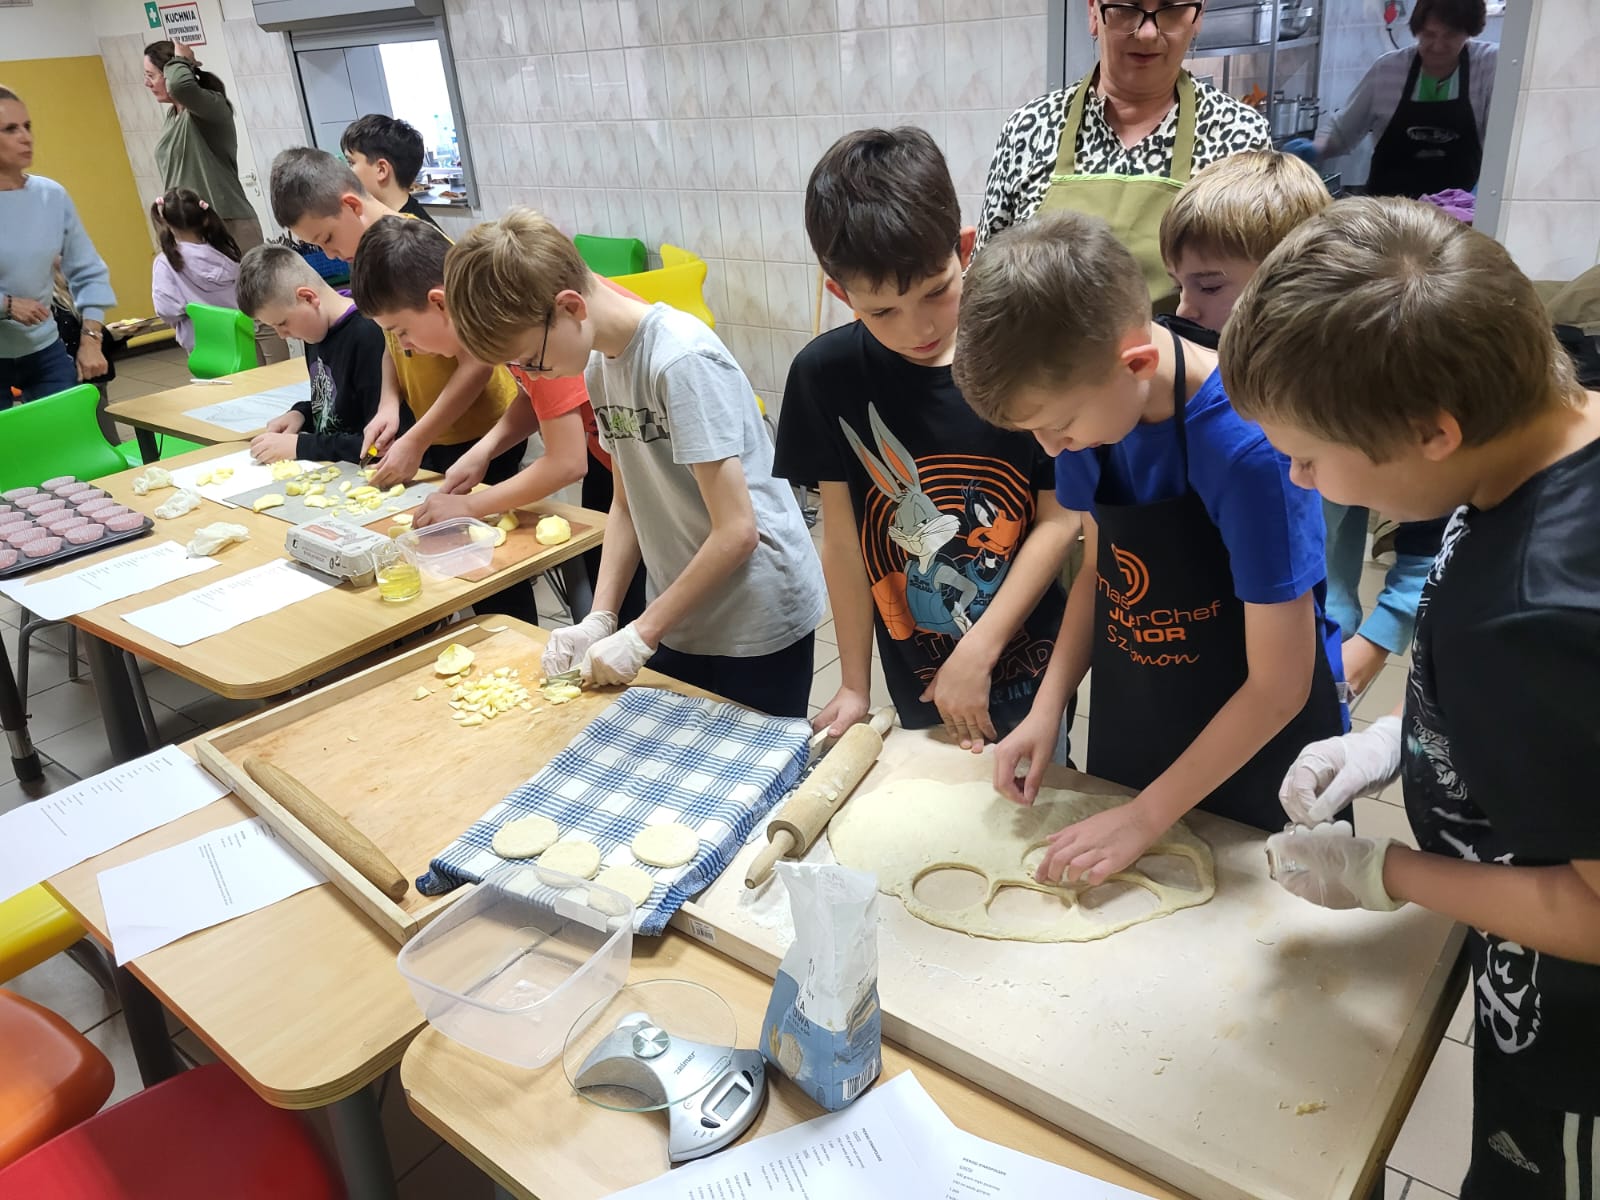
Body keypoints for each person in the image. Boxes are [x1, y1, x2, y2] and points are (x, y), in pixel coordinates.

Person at [1226, 198, 1600, 1200]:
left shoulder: (1534, 616)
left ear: (1432, 431)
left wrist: (1385, 870)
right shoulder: (1549, 419)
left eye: (1309, 457)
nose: (1298, 477)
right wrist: (1408, 739)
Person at [953, 208, 1344, 886]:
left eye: (1057, 427)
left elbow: (1281, 686)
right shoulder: (1094, 418)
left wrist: (1145, 817)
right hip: (1140, 716)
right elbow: (1099, 573)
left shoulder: (1250, 451)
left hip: (1255, 750)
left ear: (1135, 362)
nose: (1052, 449)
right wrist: (1046, 708)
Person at [444, 207, 826, 717]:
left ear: (570, 306)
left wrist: (642, 631)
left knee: (759, 758)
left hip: (755, 613)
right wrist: (601, 617)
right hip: (685, 606)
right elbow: (626, 505)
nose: (531, 375)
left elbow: (738, 531)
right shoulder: (600, 368)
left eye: (530, 360)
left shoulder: (680, 361)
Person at [774, 128, 1075, 751]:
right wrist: (853, 684)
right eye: (882, 311)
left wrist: (980, 649)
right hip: (918, 677)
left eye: (937, 291)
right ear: (840, 293)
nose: (919, 328)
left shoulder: (1020, 354)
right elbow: (843, 541)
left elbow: (1059, 518)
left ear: (964, 250)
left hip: (1029, 669)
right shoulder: (825, 376)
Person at [1158, 149, 1444, 698]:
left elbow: (1431, 532)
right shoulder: (1184, 381)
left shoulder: (1350, 391)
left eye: (1210, 286)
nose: (1186, 309)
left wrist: (1376, 642)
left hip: (1315, 645)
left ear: (1291, 277)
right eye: (1179, 286)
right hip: (1206, 645)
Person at [976, 0, 1270, 306]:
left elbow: (1262, 300)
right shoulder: (1030, 129)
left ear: (1198, 16)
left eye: (1171, 7)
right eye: (1127, 7)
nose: (1147, 33)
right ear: (1093, 12)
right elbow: (984, 288)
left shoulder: (1239, 136)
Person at [270, 148, 521, 489]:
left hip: (480, 429)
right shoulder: (364, 256)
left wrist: (418, 437)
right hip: (434, 430)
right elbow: (393, 339)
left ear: (352, 206)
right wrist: (388, 403)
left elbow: (478, 364)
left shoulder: (416, 249)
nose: (329, 254)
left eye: (327, 238)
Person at [143, 40, 287, 364]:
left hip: (228, 220)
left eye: (151, 75)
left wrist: (182, 60)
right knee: (220, 315)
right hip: (189, 230)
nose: (147, 83)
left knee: (258, 311)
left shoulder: (209, 109)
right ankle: (245, 381)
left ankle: (279, 382)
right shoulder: (174, 117)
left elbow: (182, 86)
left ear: (172, 72)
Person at [0, 86, 112, 405]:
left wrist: (91, 340)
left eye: (27, 126)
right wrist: (7, 305)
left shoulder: (51, 195)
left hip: (44, 350)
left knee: (67, 429)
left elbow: (89, 272)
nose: (26, 138)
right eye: (10, 129)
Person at [1314, 0, 1496, 197]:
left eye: (1450, 36)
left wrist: (1484, 194)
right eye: (1429, 34)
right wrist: (1313, 150)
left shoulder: (1488, 66)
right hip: (1387, 207)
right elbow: (1342, 132)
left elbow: (1503, 142)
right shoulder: (1388, 70)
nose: (1438, 46)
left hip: (1458, 209)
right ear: (1417, 30)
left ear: (1469, 33)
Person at [234, 243, 392, 464]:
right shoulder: (316, 332)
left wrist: (301, 446)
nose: (282, 335)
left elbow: (378, 444)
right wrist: (302, 414)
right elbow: (339, 408)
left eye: (283, 323)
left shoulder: (368, 335)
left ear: (308, 298)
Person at [149, 186, 241, 354]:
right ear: (205, 219)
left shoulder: (166, 262)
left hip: (200, 344)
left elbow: (166, 309)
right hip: (239, 337)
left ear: (166, 223)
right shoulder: (225, 253)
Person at [340, 115, 441, 230]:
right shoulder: (388, 224)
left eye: (351, 163)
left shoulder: (409, 236)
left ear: (381, 170)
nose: (347, 172)